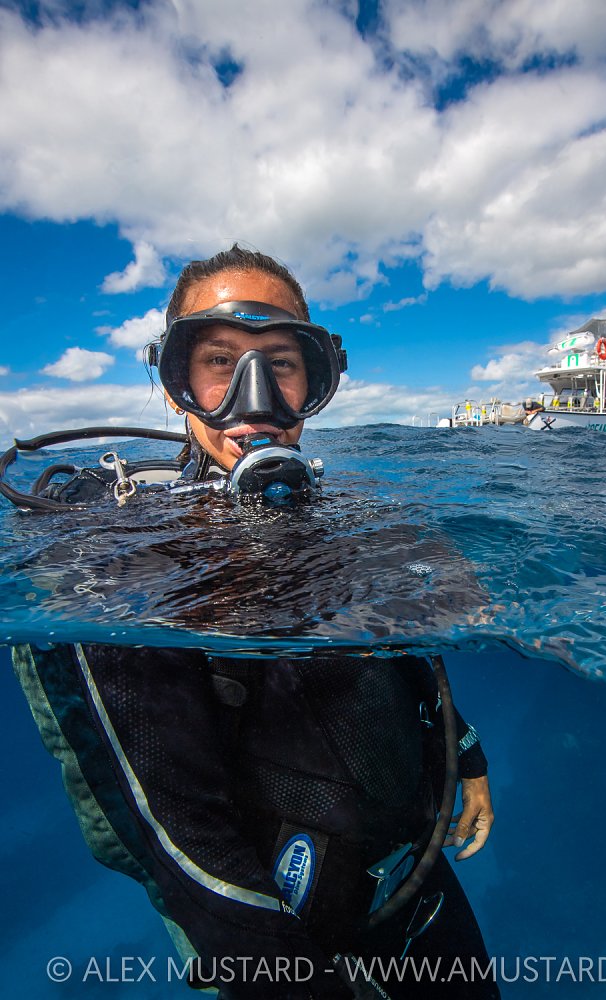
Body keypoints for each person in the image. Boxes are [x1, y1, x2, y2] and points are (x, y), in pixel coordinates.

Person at [11, 246, 498, 999]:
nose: (255, 396)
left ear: (316, 380)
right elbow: (174, 834)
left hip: (418, 883)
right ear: (177, 385)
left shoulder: (351, 520)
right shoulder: (116, 556)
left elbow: (402, 660)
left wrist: (464, 752)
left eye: (281, 363)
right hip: (289, 938)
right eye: (218, 362)